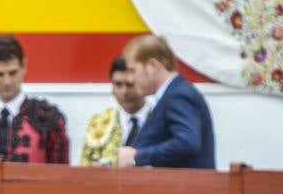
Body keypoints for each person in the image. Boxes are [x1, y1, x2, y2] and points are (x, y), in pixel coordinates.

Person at [0, 35, 69, 165]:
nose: (7, 82)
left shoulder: (50, 119)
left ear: (24, 66)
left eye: (12, 73)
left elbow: (61, 178)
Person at [116, 35, 215, 170]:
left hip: (185, 189)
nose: (130, 79)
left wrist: (137, 157)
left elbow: (187, 143)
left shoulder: (178, 95)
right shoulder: (173, 93)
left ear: (153, 66)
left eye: (133, 70)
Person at [79, 56, 151, 167]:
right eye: (118, 84)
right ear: (112, 88)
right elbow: (83, 170)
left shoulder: (161, 120)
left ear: (145, 84)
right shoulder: (99, 123)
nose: (124, 92)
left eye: (130, 84)